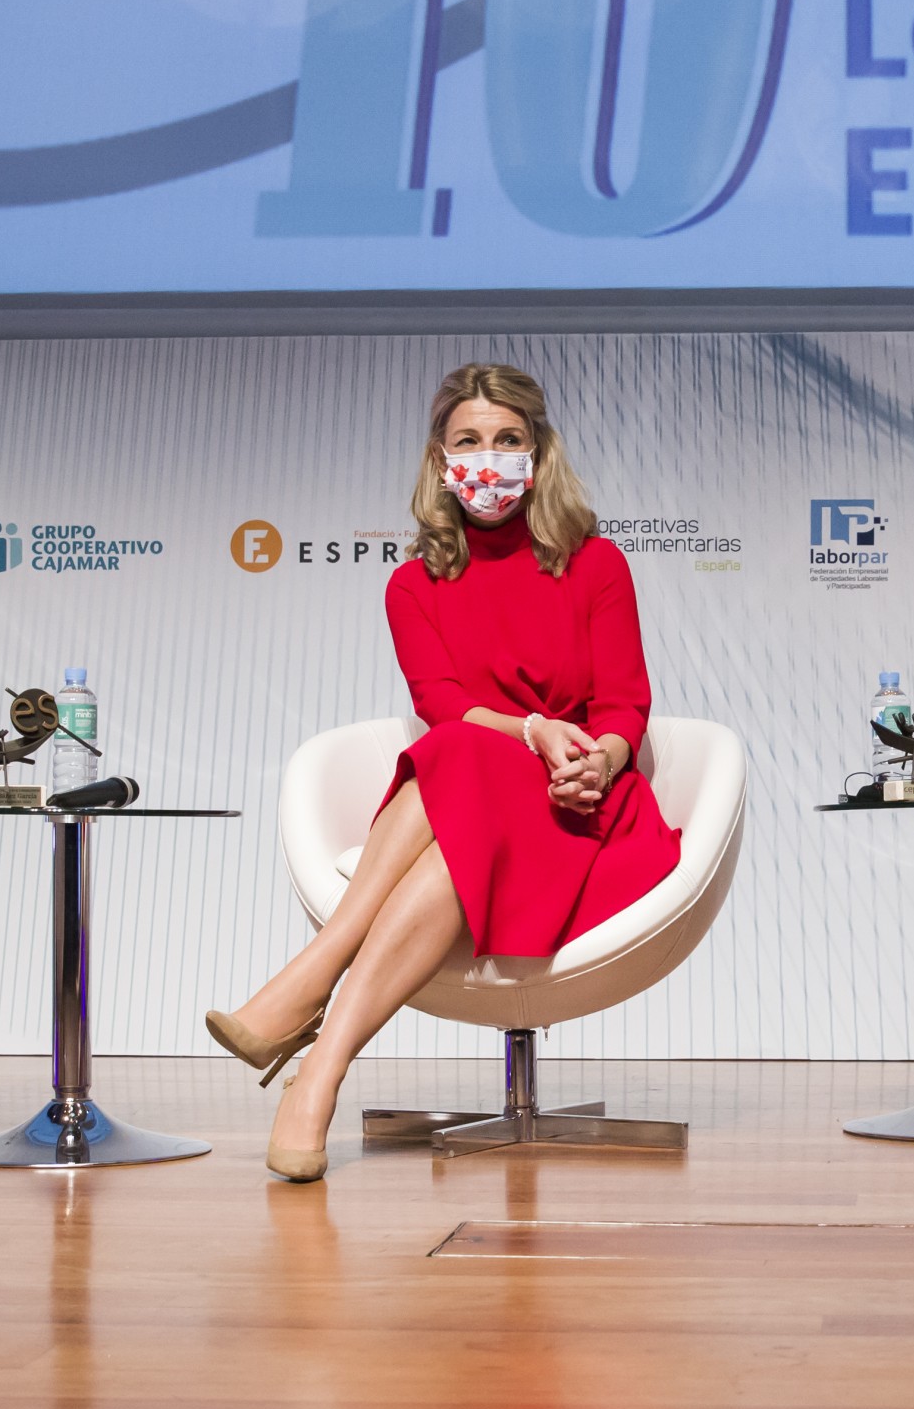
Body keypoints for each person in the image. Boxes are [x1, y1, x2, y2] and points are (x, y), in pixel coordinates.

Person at [207, 363, 680, 1183]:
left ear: (539, 452)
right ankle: (318, 1073)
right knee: (462, 751)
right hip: (470, 795)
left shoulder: (597, 563)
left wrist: (596, 762)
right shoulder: (412, 585)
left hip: (577, 813)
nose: (488, 459)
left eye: (508, 439)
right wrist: (529, 729)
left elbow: (624, 705)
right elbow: (443, 705)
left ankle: (310, 1003)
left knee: (459, 757)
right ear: (439, 458)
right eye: (469, 441)